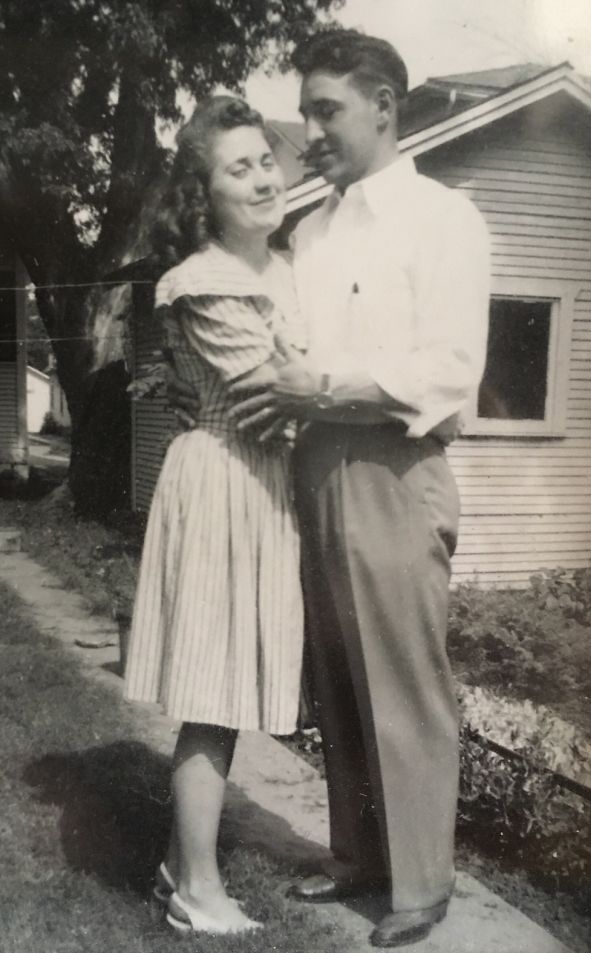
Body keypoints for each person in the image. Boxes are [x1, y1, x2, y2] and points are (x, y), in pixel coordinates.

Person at [226, 29, 491, 948]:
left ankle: (421, 882)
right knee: (336, 674)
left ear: (384, 104)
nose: (309, 130)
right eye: (304, 111)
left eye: (325, 109)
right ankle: (358, 860)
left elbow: (451, 370)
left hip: (393, 465)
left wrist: (326, 388)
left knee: (405, 679)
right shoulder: (309, 228)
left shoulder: (442, 220)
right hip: (316, 462)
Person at [123, 95, 305, 937]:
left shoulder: (283, 269)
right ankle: (198, 890)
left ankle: (174, 864)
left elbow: (302, 383)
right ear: (206, 195)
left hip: (260, 484)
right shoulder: (204, 282)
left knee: (225, 689)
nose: (264, 176)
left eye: (266, 159)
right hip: (224, 478)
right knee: (212, 689)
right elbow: (276, 401)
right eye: (239, 169)